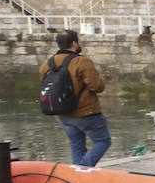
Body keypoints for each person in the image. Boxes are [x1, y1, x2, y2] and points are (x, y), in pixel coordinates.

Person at [40, 29, 110, 166]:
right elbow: (97, 87)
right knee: (103, 141)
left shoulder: (47, 64)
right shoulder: (81, 62)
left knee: (76, 145)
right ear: (74, 43)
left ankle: (76, 174)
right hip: (86, 112)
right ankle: (83, 168)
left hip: (62, 114)